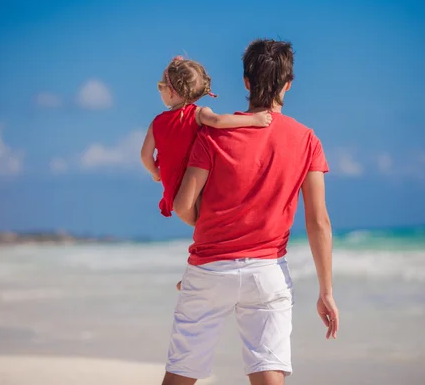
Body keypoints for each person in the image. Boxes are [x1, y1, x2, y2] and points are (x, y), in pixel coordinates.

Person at [161, 39, 339, 385]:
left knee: (181, 373)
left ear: (245, 82)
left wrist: (215, 231)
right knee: (268, 373)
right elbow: (318, 222)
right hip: (267, 272)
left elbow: (184, 205)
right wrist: (326, 291)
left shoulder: (214, 135)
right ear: (288, 84)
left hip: (209, 268)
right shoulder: (306, 140)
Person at [140, 56, 272, 218]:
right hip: (198, 181)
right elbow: (219, 121)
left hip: (174, 190)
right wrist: (253, 120)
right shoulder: (198, 113)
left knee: (198, 224)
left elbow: (145, 155)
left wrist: (155, 172)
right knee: (207, 222)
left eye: (161, 87)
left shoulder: (157, 123)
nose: (160, 91)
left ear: (171, 91)